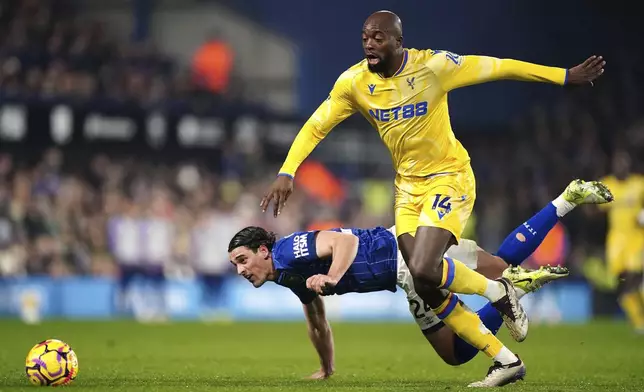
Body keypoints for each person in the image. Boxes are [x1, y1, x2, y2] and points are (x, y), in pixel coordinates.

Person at [260, 8, 606, 382]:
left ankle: (500, 293)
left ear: (398, 41)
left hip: (448, 177)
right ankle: (507, 357)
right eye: (365, 37)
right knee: (424, 280)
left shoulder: (435, 67)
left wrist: (564, 76)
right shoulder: (354, 83)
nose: (370, 44)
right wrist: (287, 171)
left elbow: (499, 66)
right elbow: (316, 125)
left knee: (424, 268)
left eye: (378, 37)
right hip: (407, 189)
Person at [238, 179, 613, 387]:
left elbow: (344, 241)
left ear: (262, 250)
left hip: (403, 255)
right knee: (499, 268)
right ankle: (565, 200)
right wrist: (327, 367)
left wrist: (333, 277)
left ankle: (509, 317)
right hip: (403, 261)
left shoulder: (287, 251)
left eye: (243, 259)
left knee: (459, 342)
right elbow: (317, 320)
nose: (240, 269)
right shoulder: (286, 274)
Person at [599, 151, 644, 333]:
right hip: (616, 240)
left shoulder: (639, 184)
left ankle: (640, 322)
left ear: (629, 165)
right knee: (622, 281)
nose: (620, 167)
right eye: (617, 163)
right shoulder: (608, 185)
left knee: (634, 276)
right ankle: (639, 321)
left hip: (636, 239)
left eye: (623, 163)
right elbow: (595, 210)